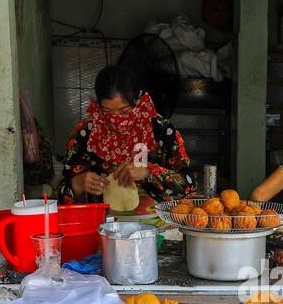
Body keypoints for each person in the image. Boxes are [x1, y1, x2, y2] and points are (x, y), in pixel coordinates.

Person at [59, 65, 195, 204]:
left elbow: (189, 183)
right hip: (101, 222)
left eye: (124, 112)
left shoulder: (160, 129)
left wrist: (149, 172)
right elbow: (59, 197)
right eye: (107, 112)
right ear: (98, 105)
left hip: (156, 223)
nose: (117, 121)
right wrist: (77, 184)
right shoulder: (86, 133)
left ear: (137, 101)